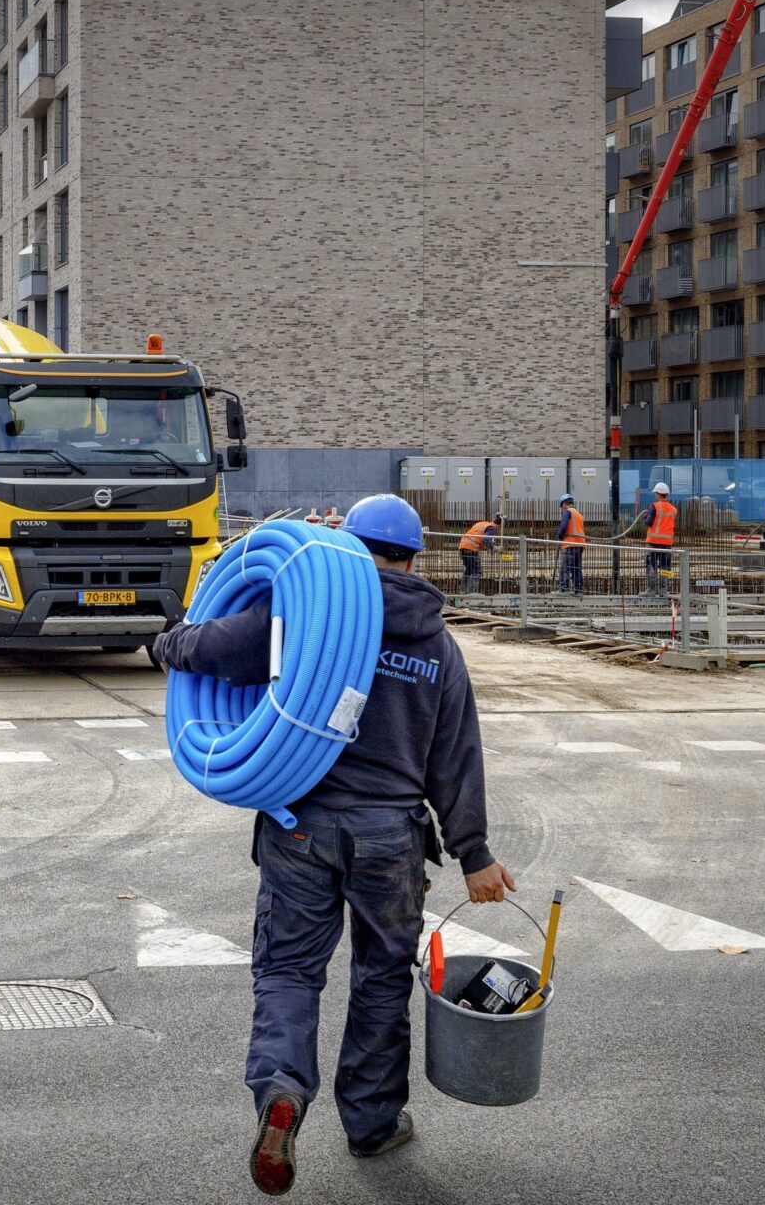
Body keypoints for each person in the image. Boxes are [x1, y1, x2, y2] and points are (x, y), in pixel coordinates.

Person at [152, 493, 509, 1195]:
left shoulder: (309, 617)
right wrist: (475, 855)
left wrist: (167, 641)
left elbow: (220, 646)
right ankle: (373, 1124)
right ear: (413, 559)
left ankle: (282, 1090)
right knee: (381, 978)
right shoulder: (438, 646)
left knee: (288, 970)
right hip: (393, 838)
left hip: (301, 824)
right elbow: (456, 761)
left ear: (348, 543)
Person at [617, 481, 679, 595]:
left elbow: (649, 522)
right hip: (667, 543)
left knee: (651, 565)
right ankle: (663, 590)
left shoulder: (655, 506)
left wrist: (644, 518)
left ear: (658, 494)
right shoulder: (673, 509)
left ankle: (650, 590)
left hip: (653, 542)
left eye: (656, 493)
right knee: (665, 566)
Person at [553, 492, 588, 596]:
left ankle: (564, 590)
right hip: (580, 545)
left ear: (564, 504)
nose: (562, 508)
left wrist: (559, 536)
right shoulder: (578, 514)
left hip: (570, 544)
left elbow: (563, 527)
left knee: (565, 568)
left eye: (562, 506)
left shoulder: (568, 512)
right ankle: (579, 590)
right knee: (576, 568)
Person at [455, 517, 498, 594]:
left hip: (463, 546)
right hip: (471, 548)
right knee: (476, 572)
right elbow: (485, 539)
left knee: (468, 570)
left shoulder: (482, 523)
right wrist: (494, 548)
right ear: (500, 524)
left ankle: (462, 591)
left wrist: (491, 545)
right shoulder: (491, 528)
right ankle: (472, 593)